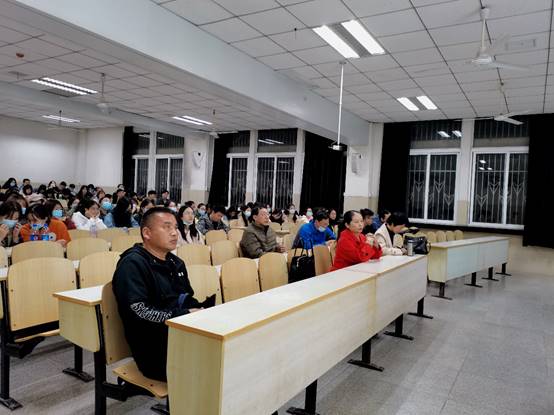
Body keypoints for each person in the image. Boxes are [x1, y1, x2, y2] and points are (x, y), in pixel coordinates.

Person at [112, 207, 205, 381]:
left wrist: (199, 311)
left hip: (182, 335)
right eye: (167, 227)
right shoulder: (132, 264)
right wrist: (183, 314)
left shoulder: (175, 262)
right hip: (154, 349)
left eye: (175, 227)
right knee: (217, 363)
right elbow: (140, 311)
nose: (174, 233)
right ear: (147, 233)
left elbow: (186, 298)